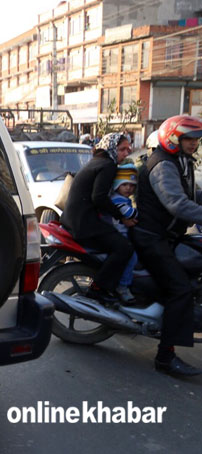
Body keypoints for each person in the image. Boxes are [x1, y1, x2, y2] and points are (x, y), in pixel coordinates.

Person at [129, 115, 202, 377]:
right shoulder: (162, 165)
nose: (194, 144)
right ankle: (165, 357)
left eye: (196, 139)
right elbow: (177, 204)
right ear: (173, 137)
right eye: (189, 139)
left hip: (167, 234)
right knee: (180, 289)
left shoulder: (180, 161)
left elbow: (191, 195)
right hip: (152, 237)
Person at [61, 132, 136, 304]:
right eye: (122, 149)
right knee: (124, 248)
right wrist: (122, 216)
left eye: (128, 149)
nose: (126, 153)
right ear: (111, 147)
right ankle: (99, 288)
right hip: (84, 223)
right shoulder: (108, 165)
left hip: (75, 220)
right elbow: (99, 198)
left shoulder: (97, 161)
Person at [104, 164, 139, 303]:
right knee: (132, 257)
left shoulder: (122, 198)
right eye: (124, 184)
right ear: (117, 185)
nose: (128, 188)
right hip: (118, 233)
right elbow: (129, 213)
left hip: (121, 232)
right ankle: (123, 286)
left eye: (132, 185)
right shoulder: (117, 199)